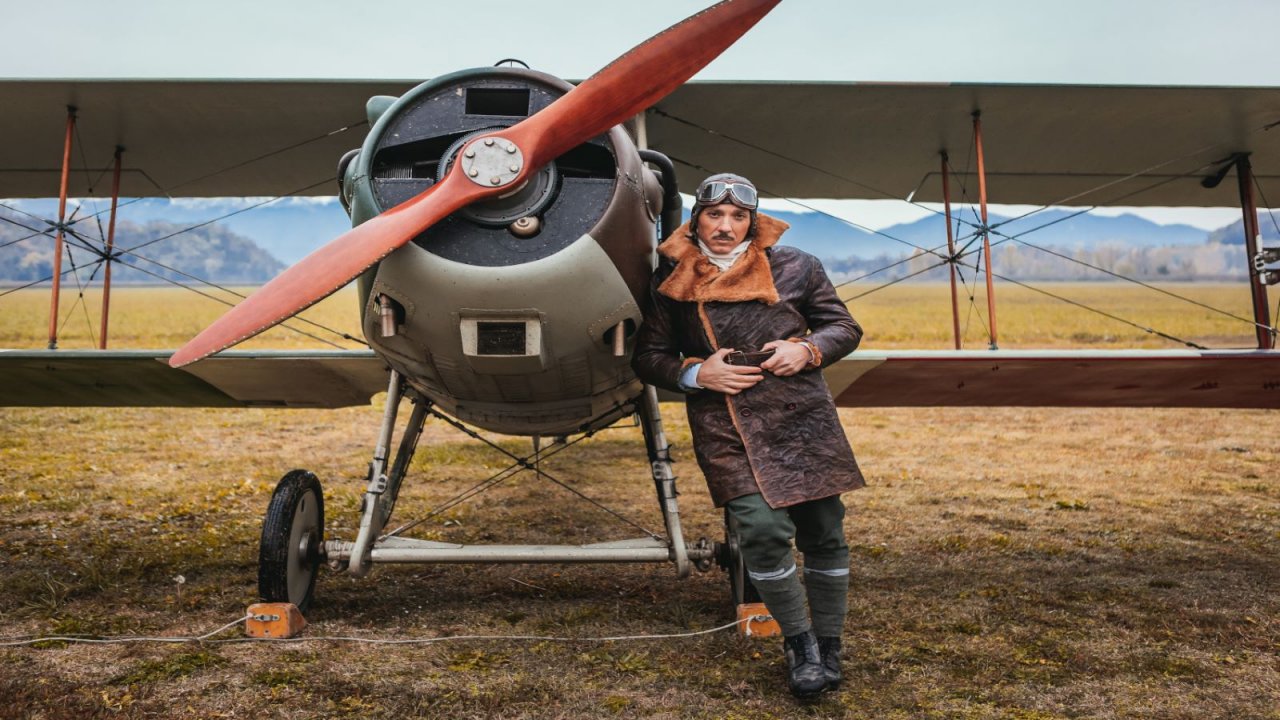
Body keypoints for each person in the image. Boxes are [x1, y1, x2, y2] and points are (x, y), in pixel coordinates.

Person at [632, 173, 866, 700]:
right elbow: (647, 357)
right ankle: (798, 643)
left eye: (738, 217)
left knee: (825, 529)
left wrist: (807, 350)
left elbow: (843, 326)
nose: (726, 226)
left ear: (753, 222)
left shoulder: (797, 265)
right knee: (759, 529)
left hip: (800, 416)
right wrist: (697, 374)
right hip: (725, 422)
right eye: (715, 215)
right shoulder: (671, 276)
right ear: (696, 220)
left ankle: (829, 645)